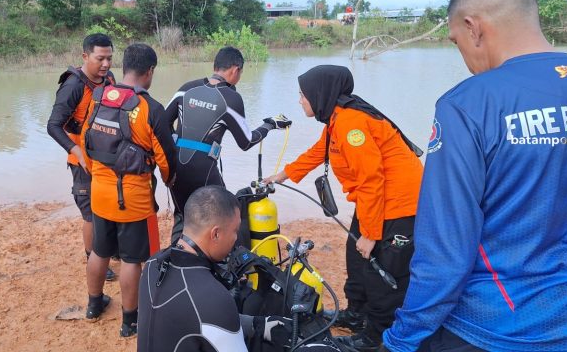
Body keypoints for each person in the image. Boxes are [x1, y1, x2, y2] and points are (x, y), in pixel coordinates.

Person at [381, 0, 567, 352]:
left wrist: (402, 339)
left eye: (456, 42)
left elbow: (445, 254)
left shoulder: (468, 104)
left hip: (494, 326)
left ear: (474, 28)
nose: (465, 58)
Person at [264, 65, 423, 352]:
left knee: (381, 270)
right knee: (356, 256)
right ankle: (355, 314)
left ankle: (374, 337)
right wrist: (283, 175)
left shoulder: (351, 124)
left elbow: (372, 179)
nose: (300, 101)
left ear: (319, 94)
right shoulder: (337, 119)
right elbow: (317, 152)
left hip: (399, 204)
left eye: (302, 95)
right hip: (374, 200)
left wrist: (372, 234)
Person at [138, 186, 336, 352]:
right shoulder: (213, 297)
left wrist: (259, 325)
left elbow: (188, 319)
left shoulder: (152, 264)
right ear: (215, 234)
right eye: (234, 231)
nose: (236, 240)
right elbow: (208, 315)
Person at [80, 43, 177, 338]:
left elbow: (86, 143)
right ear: (149, 72)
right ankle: (130, 321)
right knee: (134, 260)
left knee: (99, 251)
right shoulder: (150, 109)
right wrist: (170, 181)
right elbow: (166, 161)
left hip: (100, 194)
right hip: (134, 202)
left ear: (124, 67)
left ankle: (94, 305)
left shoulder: (99, 98)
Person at [165, 46, 291, 242]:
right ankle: (221, 265)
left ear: (215, 66)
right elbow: (246, 141)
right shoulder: (231, 98)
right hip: (204, 170)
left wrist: (174, 153)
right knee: (225, 214)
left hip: (176, 167)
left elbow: (163, 123)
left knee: (183, 216)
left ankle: (175, 261)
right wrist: (270, 125)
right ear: (235, 70)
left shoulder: (186, 88)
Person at [46, 33, 116, 281]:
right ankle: (92, 258)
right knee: (91, 215)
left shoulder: (109, 79)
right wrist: (77, 152)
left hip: (105, 159)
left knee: (109, 206)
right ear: (85, 56)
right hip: (82, 162)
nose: (106, 64)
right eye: (100, 59)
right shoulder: (73, 86)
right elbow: (53, 126)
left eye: (109, 58)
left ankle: (109, 249)